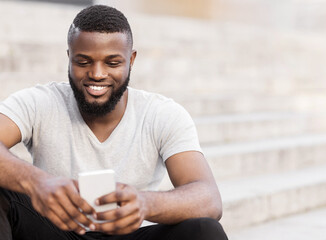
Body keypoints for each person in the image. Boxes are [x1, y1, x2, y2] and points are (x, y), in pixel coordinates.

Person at [0, 4, 228, 240]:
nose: (97, 74)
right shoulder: (40, 102)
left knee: (205, 231)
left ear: (131, 60)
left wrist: (145, 203)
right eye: (83, 61)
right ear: (69, 57)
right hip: (53, 233)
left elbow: (208, 198)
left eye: (112, 63)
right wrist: (36, 183)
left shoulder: (162, 114)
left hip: (126, 235)